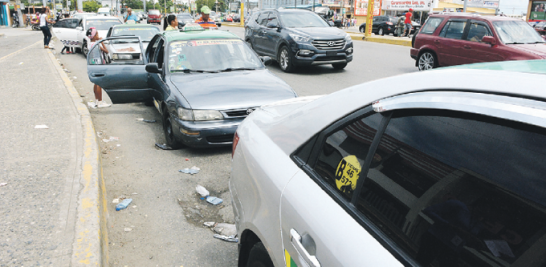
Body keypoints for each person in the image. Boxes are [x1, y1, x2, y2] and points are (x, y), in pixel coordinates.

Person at [87, 27, 111, 108]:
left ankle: (97, 100)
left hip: (93, 64)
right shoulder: (96, 44)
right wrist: (102, 42)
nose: (98, 35)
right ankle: (100, 101)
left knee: (96, 83)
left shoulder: (90, 44)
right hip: (98, 64)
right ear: (93, 36)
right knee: (99, 83)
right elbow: (106, 51)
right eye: (97, 34)